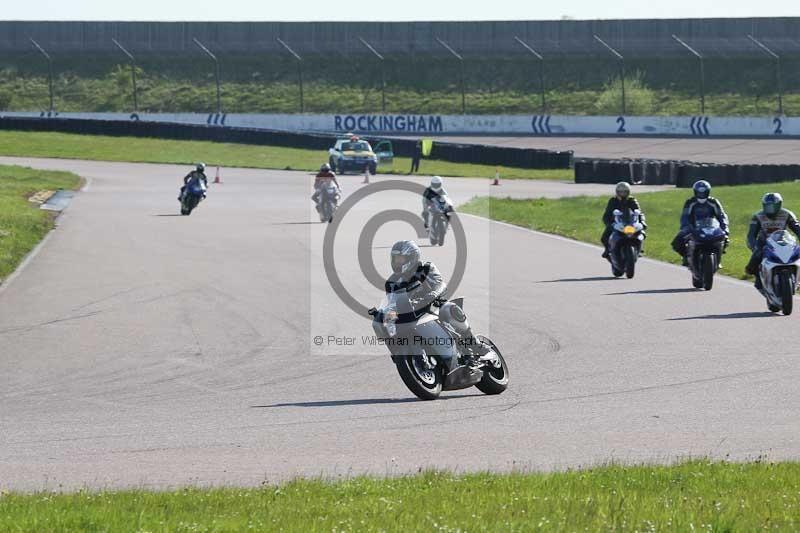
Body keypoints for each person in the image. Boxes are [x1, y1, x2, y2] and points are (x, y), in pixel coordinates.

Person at [385, 240, 489, 360]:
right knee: (391, 326)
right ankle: (401, 355)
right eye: (395, 259)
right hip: (413, 313)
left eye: (400, 259)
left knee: (450, 308)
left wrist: (433, 294)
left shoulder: (426, 268)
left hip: (433, 306)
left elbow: (440, 284)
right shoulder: (392, 282)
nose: (397, 262)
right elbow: (392, 301)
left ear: (412, 257)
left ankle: (474, 343)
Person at [745, 192, 800, 289]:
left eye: (772, 206)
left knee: (797, 253)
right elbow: (751, 235)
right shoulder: (758, 216)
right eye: (767, 206)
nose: (770, 209)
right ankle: (753, 272)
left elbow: (797, 229)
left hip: (783, 240)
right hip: (764, 242)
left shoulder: (787, 214)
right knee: (758, 253)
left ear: (779, 205)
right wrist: (754, 247)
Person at [671, 180, 729, 266]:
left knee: (725, 239)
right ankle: (686, 257)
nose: (701, 195)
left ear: (708, 192)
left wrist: (725, 227)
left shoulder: (713, 202)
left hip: (711, 227)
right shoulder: (690, 202)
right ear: (695, 192)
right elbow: (685, 216)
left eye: (704, 192)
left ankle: (718, 259)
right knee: (676, 242)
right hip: (693, 227)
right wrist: (685, 227)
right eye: (699, 192)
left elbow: (721, 215)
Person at [601, 181, 645, 258]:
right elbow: (607, 214)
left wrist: (642, 222)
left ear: (628, 192)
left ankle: (639, 249)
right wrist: (608, 223)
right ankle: (607, 249)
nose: (623, 193)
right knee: (604, 237)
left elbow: (639, 212)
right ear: (617, 192)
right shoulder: (613, 200)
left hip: (630, 223)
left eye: (625, 192)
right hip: (616, 223)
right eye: (620, 192)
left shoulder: (632, 200)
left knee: (642, 233)